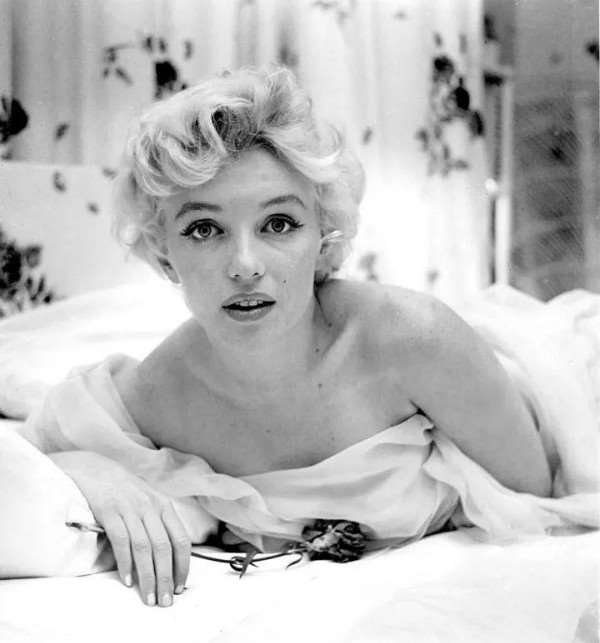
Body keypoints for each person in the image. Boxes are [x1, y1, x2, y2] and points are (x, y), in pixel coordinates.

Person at [8, 65, 599, 608]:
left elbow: (538, 496)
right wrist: (94, 470)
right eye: (205, 229)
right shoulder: (154, 396)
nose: (244, 265)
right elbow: (30, 458)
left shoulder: (414, 340)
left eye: (279, 223)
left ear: (324, 234)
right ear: (165, 251)